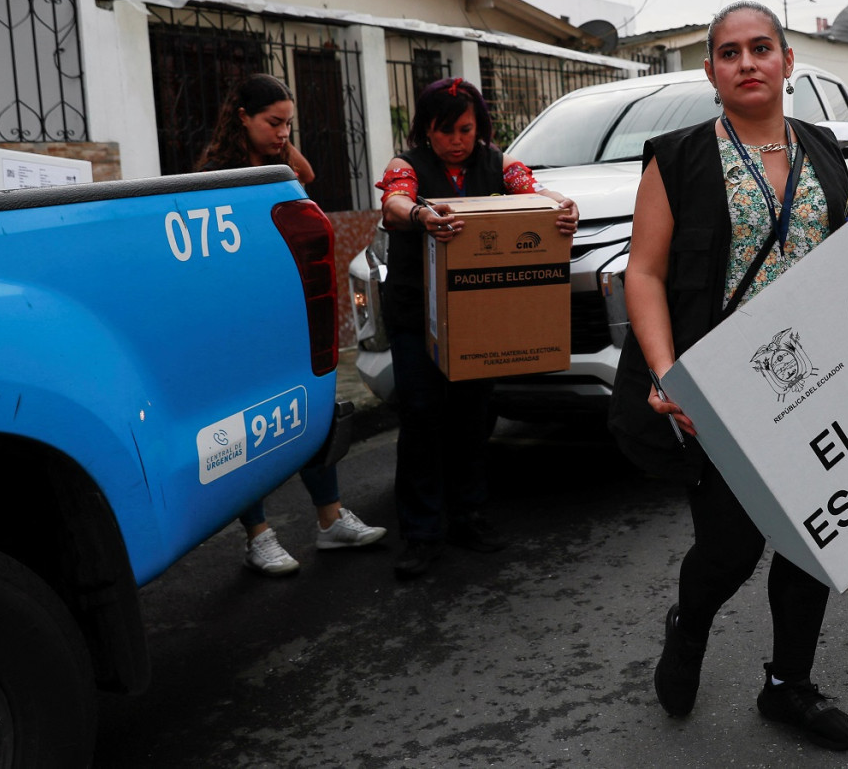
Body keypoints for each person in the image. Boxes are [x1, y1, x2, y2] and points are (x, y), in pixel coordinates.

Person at [613, 2, 848, 750]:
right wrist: (666, 371)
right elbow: (645, 272)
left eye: (761, 48)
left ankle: (788, 685)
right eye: (730, 52)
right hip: (720, 388)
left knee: (813, 541)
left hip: (815, 383)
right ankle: (689, 626)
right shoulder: (678, 156)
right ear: (711, 71)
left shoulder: (823, 150)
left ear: (788, 61)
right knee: (729, 547)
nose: (747, 62)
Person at [375, 77, 578, 579]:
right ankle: (422, 533)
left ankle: (470, 516)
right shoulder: (407, 167)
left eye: (465, 129)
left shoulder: (498, 163)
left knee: (472, 414)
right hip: (414, 315)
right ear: (427, 130)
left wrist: (561, 207)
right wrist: (421, 213)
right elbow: (395, 204)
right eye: (444, 131)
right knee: (421, 416)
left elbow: (532, 191)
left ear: (479, 127)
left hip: (474, 317)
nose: (455, 140)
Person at [198, 72, 386, 576]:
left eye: (288, 123)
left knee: (309, 409)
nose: (282, 132)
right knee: (244, 427)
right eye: (272, 122)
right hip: (241, 315)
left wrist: (280, 140)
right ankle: (258, 536)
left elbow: (308, 175)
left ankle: (330, 521)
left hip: (289, 306)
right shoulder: (217, 173)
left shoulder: (278, 161)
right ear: (242, 117)